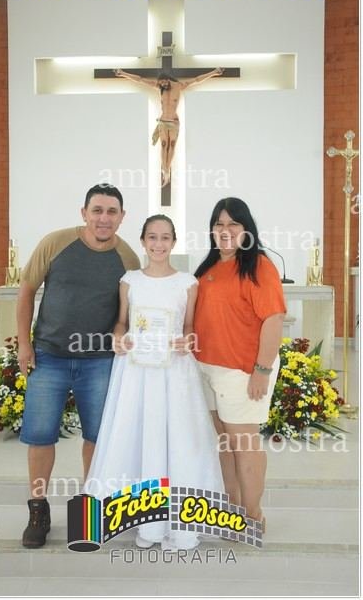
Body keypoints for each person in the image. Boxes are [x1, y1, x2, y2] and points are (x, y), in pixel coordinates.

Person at [84, 214, 223, 551]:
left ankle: (178, 518)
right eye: (152, 237)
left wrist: (187, 340)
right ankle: (141, 518)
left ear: (173, 242)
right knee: (135, 434)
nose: (158, 244)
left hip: (174, 370)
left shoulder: (188, 283)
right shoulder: (129, 280)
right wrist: (119, 337)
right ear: (143, 241)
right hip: (136, 370)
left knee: (178, 438)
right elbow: (121, 322)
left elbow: (189, 327)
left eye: (165, 238)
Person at [17, 184, 140, 548]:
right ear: (84, 213)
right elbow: (26, 291)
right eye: (97, 210)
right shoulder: (55, 243)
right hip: (49, 357)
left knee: (97, 438)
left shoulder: (128, 259)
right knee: (40, 436)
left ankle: (89, 510)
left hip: (99, 362)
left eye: (112, 211)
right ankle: (38, 510)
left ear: (122, 216)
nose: (104, 218)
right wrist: (24, 343)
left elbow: (130, 314)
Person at [193, 197, 286, 531]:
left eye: (233, 223)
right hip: (207, 370)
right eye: (219, 224)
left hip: (242, 370)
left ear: (246, 229)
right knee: (225, 444)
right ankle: (233, 512)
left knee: (244, 445)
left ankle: (254, 516)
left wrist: (261, 370)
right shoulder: (208, 268)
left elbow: (273, 319)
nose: (225, 230)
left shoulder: (258, 266)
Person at [114, 68, 224, 186]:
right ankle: (165, 171)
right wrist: (122, 73)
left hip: (173, 122)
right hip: (163, 121)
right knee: (163, 144)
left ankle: (167, 170)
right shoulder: (159, 86)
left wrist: (214, 72)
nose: (162, 85)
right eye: (161, 83)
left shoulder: (179, 86)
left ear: (168, 79)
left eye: (164, 82)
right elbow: (140, 80)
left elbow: (197, 80)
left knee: (171, 145)